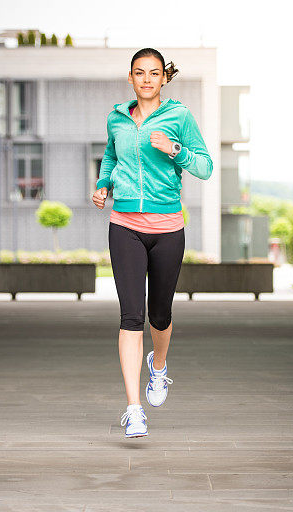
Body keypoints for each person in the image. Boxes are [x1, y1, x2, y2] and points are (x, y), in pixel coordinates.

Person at [92, 48, 213, 438]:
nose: (146, 79)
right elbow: (110, 157)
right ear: (130, 78)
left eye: (154, 73)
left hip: (167, 227)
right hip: (124, 224)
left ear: (164, 78)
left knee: (159, 314)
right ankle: (133, 408)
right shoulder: (117, 117)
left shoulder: (179, 117)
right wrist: (101, 184)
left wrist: (174, 149)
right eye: (139, 73)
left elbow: (206, 166)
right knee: (131, 316)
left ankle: (158, 367)